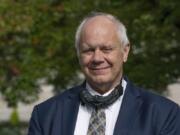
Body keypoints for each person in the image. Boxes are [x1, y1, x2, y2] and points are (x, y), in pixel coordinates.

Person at [28, 12, 180, 135]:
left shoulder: (164, 114)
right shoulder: (45, 115)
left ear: (125, 51)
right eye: (88, 50)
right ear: (78, 54)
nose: (97, 58)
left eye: (106, 49)